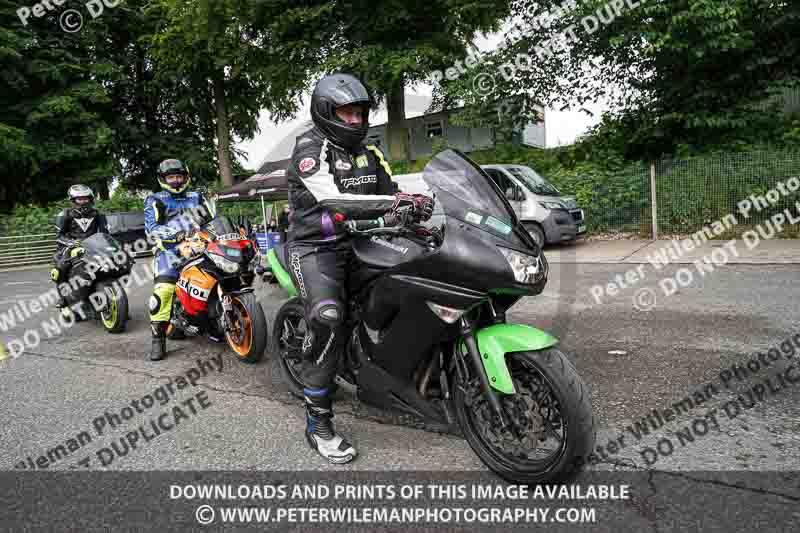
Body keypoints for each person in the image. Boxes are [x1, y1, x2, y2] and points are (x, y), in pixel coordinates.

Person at [286, 73, 434, 464]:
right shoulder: (309, 148)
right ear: (325, 113)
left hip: (362, 240)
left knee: (417, 276)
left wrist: (424, 204)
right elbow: (335, 200)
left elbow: (395, 191)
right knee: (328, 317)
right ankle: (318, 420)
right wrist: (394, 206)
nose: (355, 120)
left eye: (360, 113)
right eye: (346, 113)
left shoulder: (371, 153)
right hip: (316, 248)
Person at [144, 158, 212, 361]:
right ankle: (158, 341)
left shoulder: (197, 196)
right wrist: (175, 236)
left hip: (199, 246)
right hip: (169, 251)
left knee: (222, 272)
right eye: (171, 177)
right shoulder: (155, 200)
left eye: (179, 176)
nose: (176, 181)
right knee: (162, 292)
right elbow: (151, 228)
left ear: (186, 177)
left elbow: (211, 219)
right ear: (163, 179)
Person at [51, 184, 108, 319]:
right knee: (60, 269)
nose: (83, 201)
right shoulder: (64, 214)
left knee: (115, 264)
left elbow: (106, 234)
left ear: (90, 199)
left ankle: (114, 298)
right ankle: (64, 301)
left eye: (85, 198)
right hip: (69, 247)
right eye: (79, 199)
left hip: (93, 246)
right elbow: (59, 236)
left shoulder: (98, 214)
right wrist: (71, 243)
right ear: (73, 200)